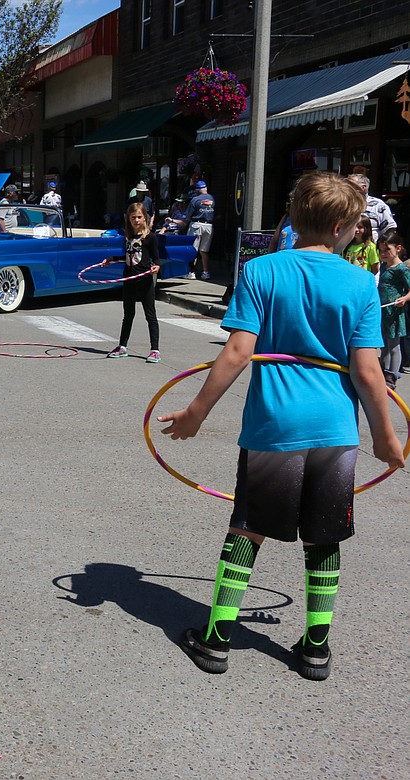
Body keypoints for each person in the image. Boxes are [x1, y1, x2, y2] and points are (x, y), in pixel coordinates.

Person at [159, 171, 404, 682]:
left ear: (293, 218)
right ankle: (316, 647)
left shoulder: (262, 271)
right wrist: (385, 435)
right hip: (336, 429)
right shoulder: (361, 282)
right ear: (342, 227)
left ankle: (217, 639)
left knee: (247, 529)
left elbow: (237, 351)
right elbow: (365, 370)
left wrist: (196, 413)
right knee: (323, 536)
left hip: (276, 424)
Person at [105, 203, 162, 363]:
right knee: (128, 315)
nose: (136, 220)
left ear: (145, 218)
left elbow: (156, 258)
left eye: (139, 217)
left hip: (144, 280)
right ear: (128, 219)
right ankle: (122, 346)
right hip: (129, 279)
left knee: (150, 315)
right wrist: (112, 259)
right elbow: (130, 257)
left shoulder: (150, 237)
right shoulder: (128, 236)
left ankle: (155, 350)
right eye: (133, 217)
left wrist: (157, 266)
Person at [376, 233, 410, 387]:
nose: (383, 254)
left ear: (398, 248)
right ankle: (382, 373)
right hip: (383, 311)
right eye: (380, 250)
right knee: (383, 346)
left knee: (394, 345)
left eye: (386, 250)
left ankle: (392, 377)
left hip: (394, 312)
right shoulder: (384, 266)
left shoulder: (401, 268)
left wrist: (404, 299)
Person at [347, 174, 397, 241]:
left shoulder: (378, 205)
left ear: (363, 188)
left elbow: (390, 228)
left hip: (371, 248)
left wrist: (382, 246)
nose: (346, 188)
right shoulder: (344, 204)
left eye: (350, 185)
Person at [182, 180, 216, 280]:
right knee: (204, 251)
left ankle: (191, 272)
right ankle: (206, 272)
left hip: (196, 225)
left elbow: (188, 215)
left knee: (193, 249)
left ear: (197, 190)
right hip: (209, 226)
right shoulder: (213, 199)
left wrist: (185, 223)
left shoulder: (195, 199)